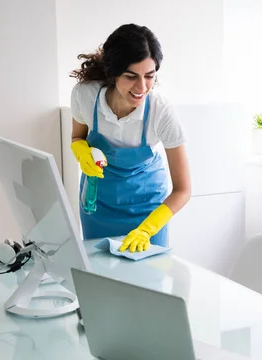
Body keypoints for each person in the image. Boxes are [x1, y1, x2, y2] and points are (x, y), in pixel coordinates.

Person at [70, 23, 191, 253]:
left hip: (147, 212)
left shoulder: (160, 111)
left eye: (150, 76)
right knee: (100, 279)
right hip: (98, 206)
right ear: (113, 72)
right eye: (131, 76)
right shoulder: (85, 96)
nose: (142, 87)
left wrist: (147, 230)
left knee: (148, 284)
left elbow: (183, 190)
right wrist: (81, 151)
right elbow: (77, 136)